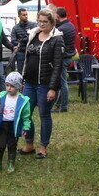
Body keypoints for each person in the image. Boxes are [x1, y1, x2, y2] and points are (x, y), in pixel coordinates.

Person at [18, 8, 64, 159]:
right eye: (40, 21)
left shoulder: (57, 38)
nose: (42, 24)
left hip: (45, 84)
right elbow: (26, 58)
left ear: (52, 22)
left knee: (44, 115)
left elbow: (58, 65)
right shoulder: (34, 34)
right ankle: (29, 144)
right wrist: (23, 79)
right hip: (29, 83)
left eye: (45, 21)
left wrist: (52, 88)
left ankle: (43, 147)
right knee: (25, 114)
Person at [0, 71, 32, 173]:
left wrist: (26, 127)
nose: (8, 88)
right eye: (7, 85)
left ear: (18, 87)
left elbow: (26, 116)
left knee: (12, 145)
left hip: (14, 126)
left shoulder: (23, 100)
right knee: (1, 145)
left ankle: (11, 163)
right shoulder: (2, 96)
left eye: (12, 86)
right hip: (3, 125)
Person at [55, 7, 77, 113]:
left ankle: (63, 106)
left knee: (63, 82)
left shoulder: (61, 29)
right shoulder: (71, 26)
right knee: (61, 81)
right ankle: (60, 104)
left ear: (58, 16)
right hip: (69, 57)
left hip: (63, 58)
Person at [10, 7, 35, 71]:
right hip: (21, 52)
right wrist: (24, 41)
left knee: (31, 71)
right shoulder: (15, 28)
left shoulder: (32, 25)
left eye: (26, 14)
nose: (26, 16)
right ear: (19, 16)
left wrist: (22, 40)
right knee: (21, 71)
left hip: (31, 52)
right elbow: (13, 41)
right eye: (23, 15)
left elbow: (34, 38)